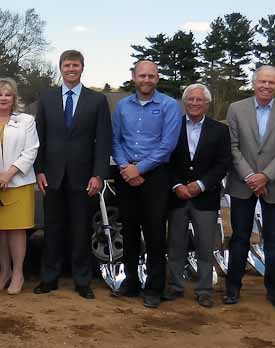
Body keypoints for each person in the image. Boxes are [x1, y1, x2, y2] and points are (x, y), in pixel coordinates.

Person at [33, 50, 112, 300]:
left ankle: (81, 280)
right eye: (67, 65)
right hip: (53, 176)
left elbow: (103, 141)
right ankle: (49, 278)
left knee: (80, 230)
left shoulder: (96, 101)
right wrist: (40, 170)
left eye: (75, 65)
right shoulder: (46, 99)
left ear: (82, 68)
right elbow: (39, 139)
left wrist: (99, 175)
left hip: (83, 176)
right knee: (53, 229)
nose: (71, 69)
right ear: (60, 67)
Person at [224, 65, 275, 310]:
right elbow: (233, 147)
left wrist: (265, 176)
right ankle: (233, 286)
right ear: (254, 82)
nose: (266, 86)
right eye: (262, 81)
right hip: (242, 184)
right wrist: (250, 177)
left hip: (274, 184)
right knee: (239, 237)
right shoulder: (236, 109)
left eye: (272, 82)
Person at [111, 60, 182, 308]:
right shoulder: (121, 107)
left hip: (156, 177)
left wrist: (139, 169)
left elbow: (167, 146)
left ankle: (153, 287)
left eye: (151, 76)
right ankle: (131, 282)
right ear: (134, 77)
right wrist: (126, 168)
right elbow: (115, 140)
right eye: (142, 76)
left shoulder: (170, 106)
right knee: (129, 230)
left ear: (157, 78)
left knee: (154, 234)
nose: (146, 80)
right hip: (125, 175)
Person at [163, 84, 230, 308]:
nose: (194, 103)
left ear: (206, 103)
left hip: (205, 198)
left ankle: (204, 289)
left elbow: (223, 164)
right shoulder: (172, 126)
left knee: (204, 246)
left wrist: (201, 185)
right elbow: (166, 159)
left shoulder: (220, 130)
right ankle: (174, 286)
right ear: (184, 102)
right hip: (178, 196)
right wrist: (177, 185)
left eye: (198, 100)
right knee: (175, 245)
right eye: (190, 99)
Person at [0, 78, 39, 295]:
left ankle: (18, 273)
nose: (3, 98)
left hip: (18, 182)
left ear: (14, 98)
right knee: (0, 231)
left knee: (16, 229)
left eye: (7, 94)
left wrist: (9, 173)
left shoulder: (26, 121)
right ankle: (4, 272)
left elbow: (31, 150)